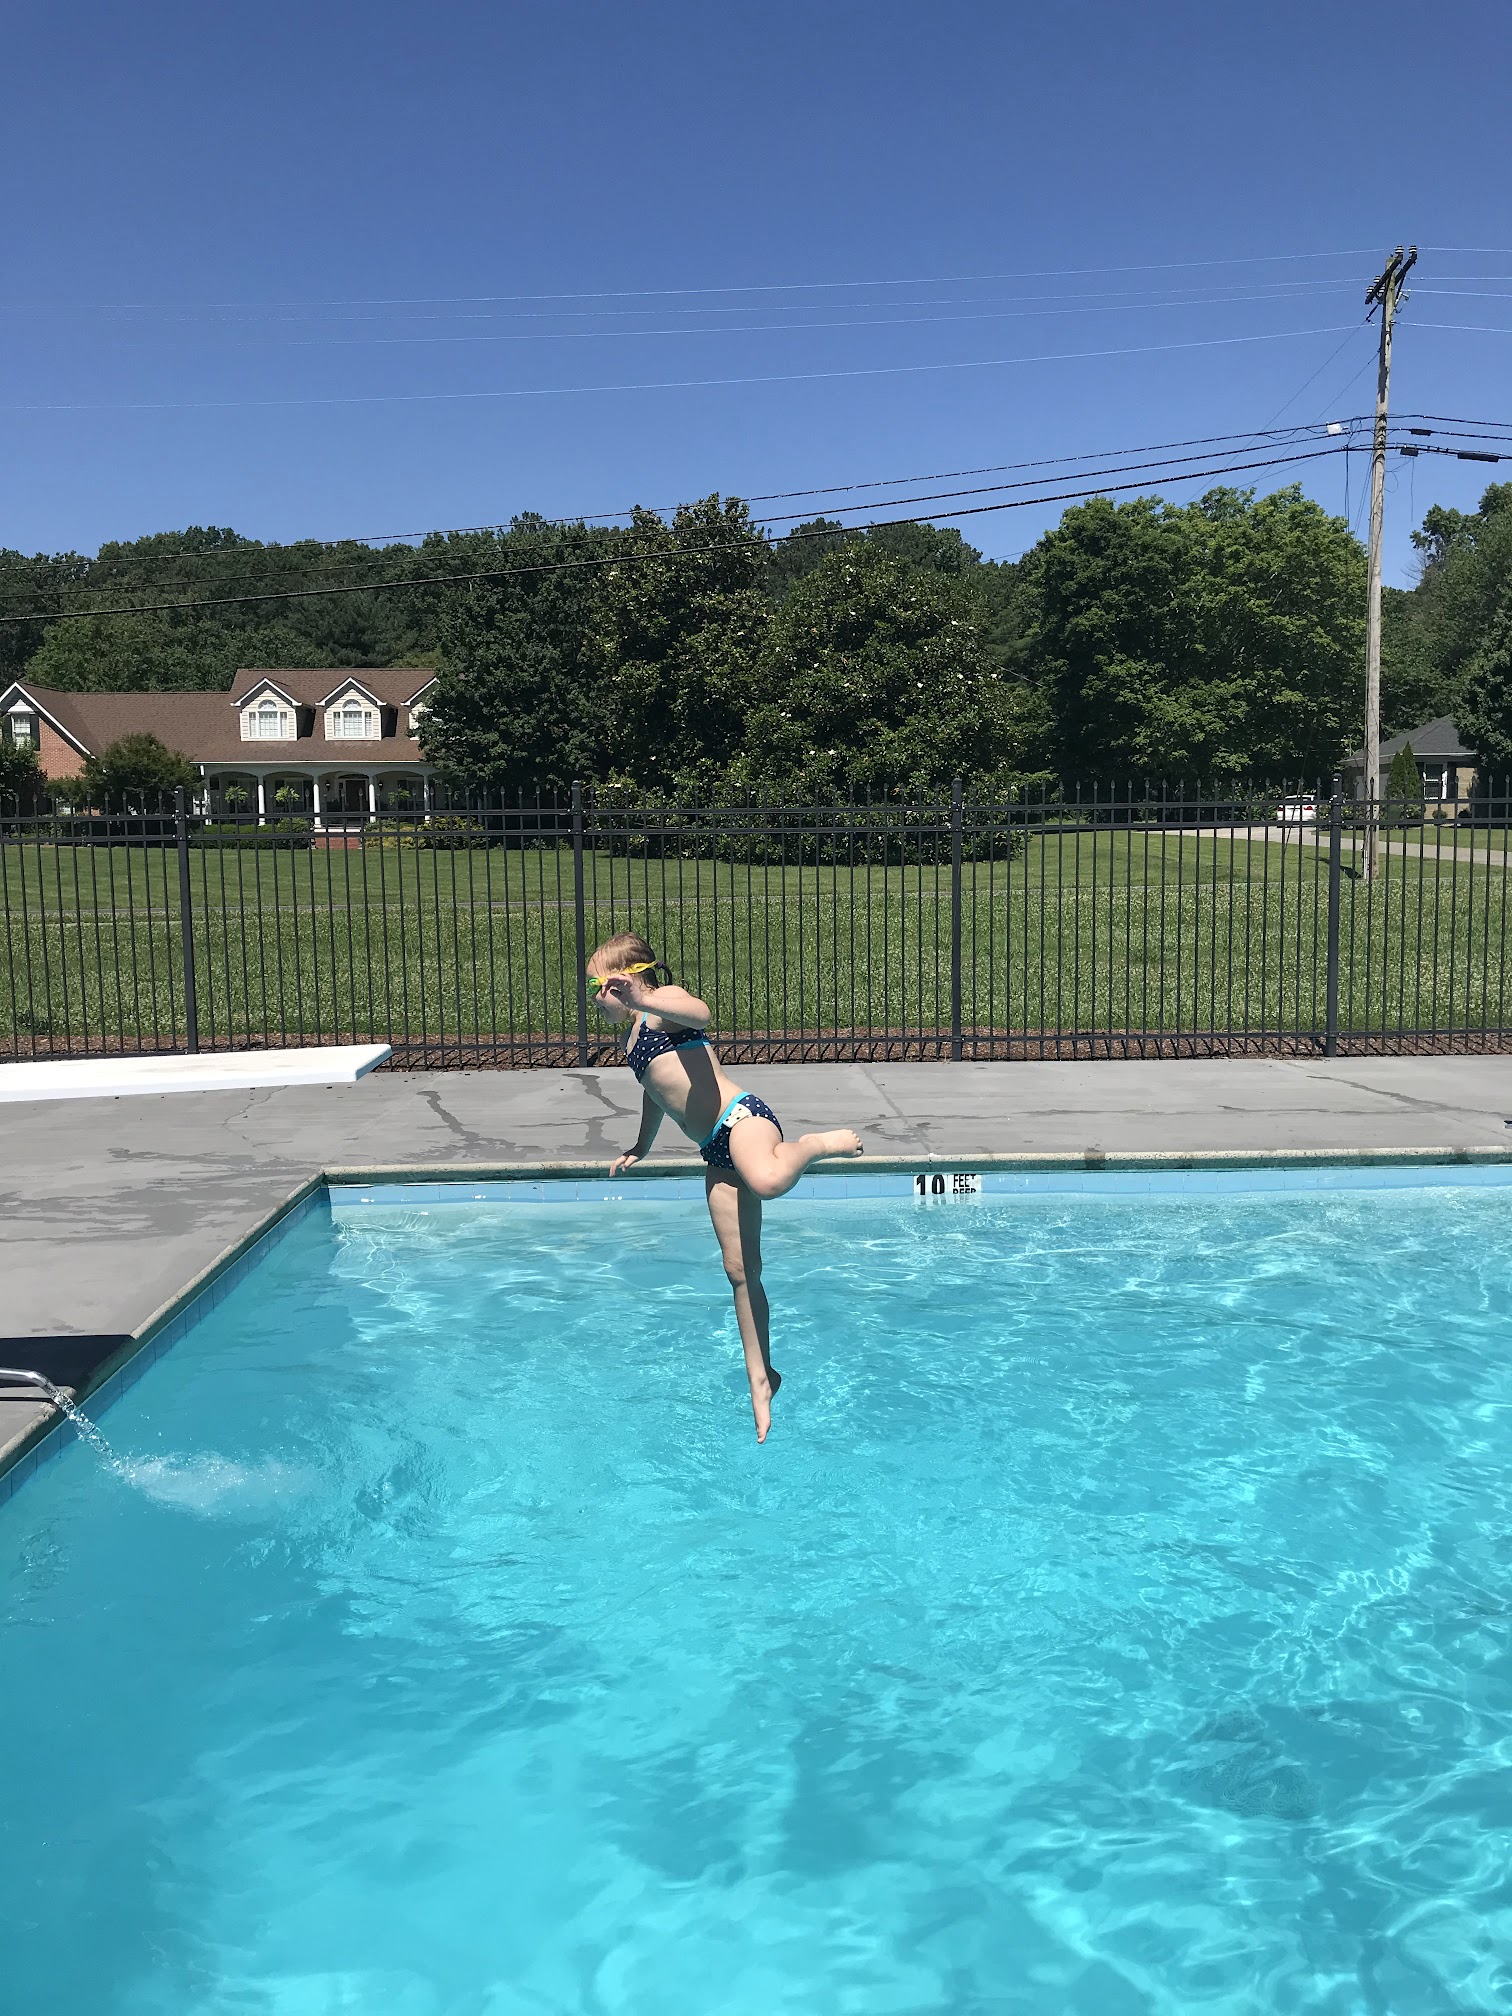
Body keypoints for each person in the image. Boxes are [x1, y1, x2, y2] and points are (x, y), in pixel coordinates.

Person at [586, 930, 863, 1441]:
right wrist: (641, 1145)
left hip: (742, 1121)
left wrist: (644, 998)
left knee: (768, 1179)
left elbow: (702, 1013)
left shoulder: (661, 1008)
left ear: (627, 982)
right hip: (714, 1148)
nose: (595, 998)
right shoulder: (632, 1037)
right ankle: (762, 1378)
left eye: (600, 987)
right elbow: (655, 1092)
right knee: (739, 1270)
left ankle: (814, 1145)